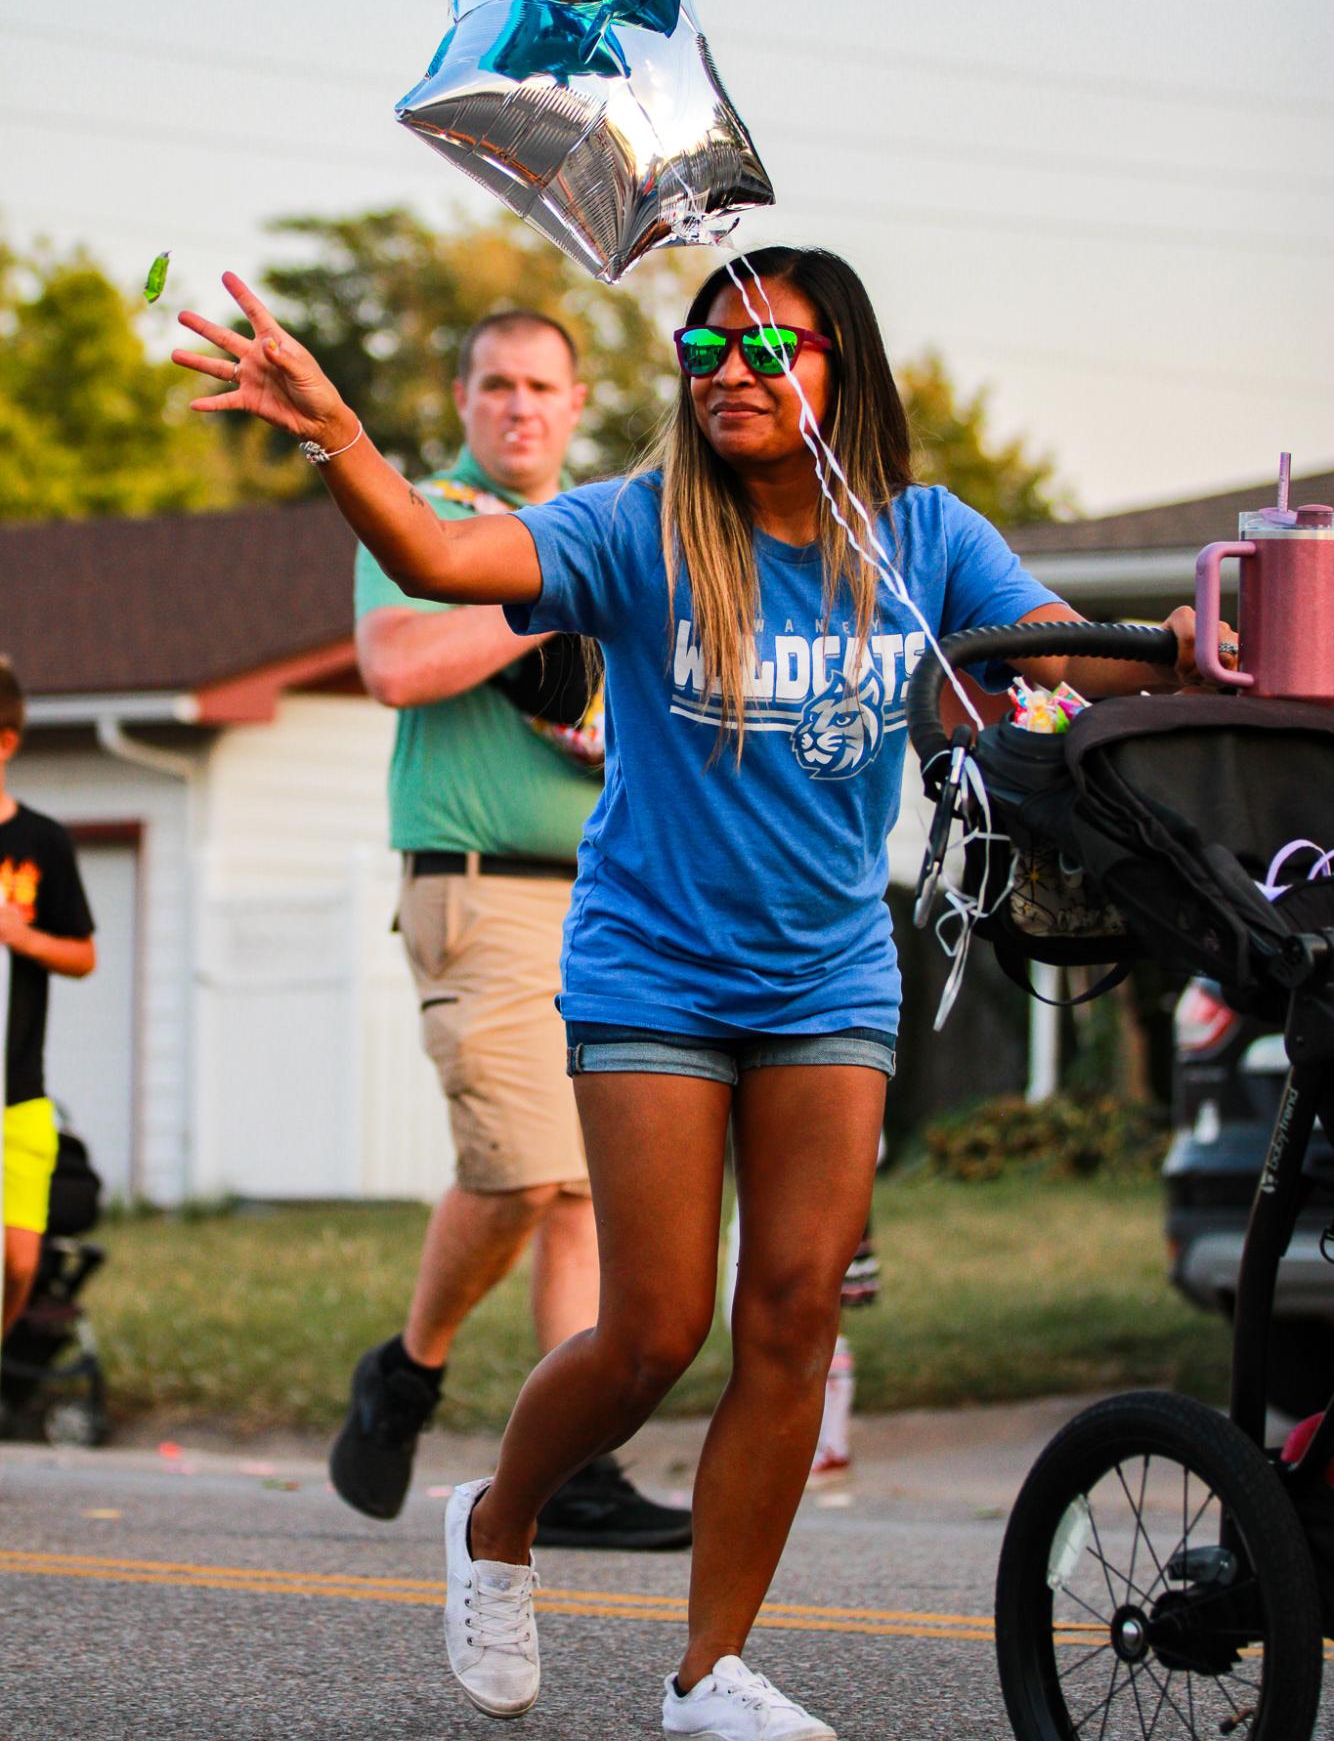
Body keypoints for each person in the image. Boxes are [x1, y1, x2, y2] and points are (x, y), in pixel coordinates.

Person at [175, 246, 1228, 1741]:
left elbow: (1060, 658)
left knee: (793, 1318)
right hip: (653, 964)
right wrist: (335, 430)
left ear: (836, 369)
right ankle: (496, 1520)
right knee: (654, 1328)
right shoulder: (636, 528)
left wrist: (1189, 646)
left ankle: (705, 1672)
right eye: (703, 347)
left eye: (762, 346)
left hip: (824, 974)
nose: (726, 369)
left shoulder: (919, 537)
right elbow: (435, 561)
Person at [334, 308, 688, 1550]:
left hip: (600, 894)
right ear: (463, 394)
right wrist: (532, 597)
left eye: (542, 386)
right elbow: (394, 663)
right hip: (473, 884)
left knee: (590, 1191)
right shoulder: (424, 512)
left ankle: (579, 1470)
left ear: (577, 401)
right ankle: (409, 1365)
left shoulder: (601, 529)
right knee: (523, 1170)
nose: (519, 406)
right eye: (496, 385)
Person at [1, 658, 96, 1340]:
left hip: (19, 1093)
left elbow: (84, 954)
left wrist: (22, 936)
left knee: (17, 1265)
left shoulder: (42, 843)